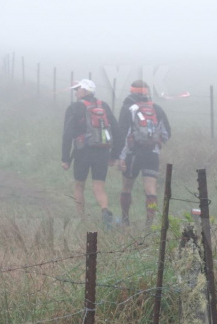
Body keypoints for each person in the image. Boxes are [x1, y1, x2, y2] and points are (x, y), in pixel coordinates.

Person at [110, 80, 171, 227]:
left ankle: (125, 220)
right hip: (152, 154)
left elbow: (122, 135)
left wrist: (119, 157)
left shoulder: (128, 108)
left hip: (133, 154)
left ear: (132, 92)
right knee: (151, 191)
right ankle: (149, 224)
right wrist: (155, 143)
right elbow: (167, 133)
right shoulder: (157, 108)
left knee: (126, 187)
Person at [61, 79, 118, 227]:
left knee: (79, 185)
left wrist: (65, 158)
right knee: (99, 186)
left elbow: (67, 134)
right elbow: (117, 130)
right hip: (102, 152)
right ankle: (105, 211)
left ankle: (82, 219)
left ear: (85, 91)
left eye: (78, 89)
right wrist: (114, 155)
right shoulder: (103, 106)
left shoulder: (74, 108)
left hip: (82, 152)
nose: (76, 92)